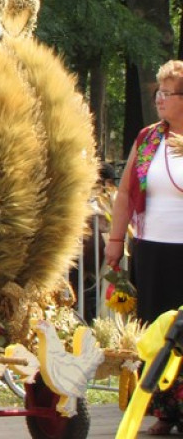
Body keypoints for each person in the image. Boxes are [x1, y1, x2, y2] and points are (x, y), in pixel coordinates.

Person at [107, 60, 183, 436]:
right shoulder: (148, 138)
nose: (159, 99)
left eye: (167, 94)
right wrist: (116, 241)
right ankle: (164, 412)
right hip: (152, 250)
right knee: (155, 330)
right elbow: (123, 194)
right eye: (158, 93)